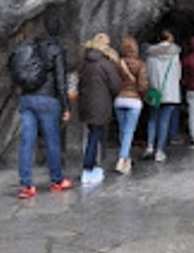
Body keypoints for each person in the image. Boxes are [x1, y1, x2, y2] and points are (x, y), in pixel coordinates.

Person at [10, 36, 74, 198]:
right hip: (47, 100)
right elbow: (61, 81)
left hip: (26, 99)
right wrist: (66, 106)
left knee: (27, 142)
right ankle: (57, 180)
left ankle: (26, 185)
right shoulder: (55, 50)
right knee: (51, 140)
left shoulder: (25, 50)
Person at [78, 33, 121, 185]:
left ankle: (92, 165)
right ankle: (89, 167)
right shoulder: (105, 63)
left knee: (91, 134)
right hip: (101, 105)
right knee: (95, 136)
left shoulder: (84, 62)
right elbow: (115, 85)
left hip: (86, 103)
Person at [143, 30, 181, 162]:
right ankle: (160, 151)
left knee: (153, 119)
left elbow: (147, 74)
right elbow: (178, 75)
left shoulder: (151, 55)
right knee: (165, 121)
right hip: (170, 92)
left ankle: (149, 147)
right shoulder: (175, 55)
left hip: (155, 92)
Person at [114, 36, 148, 174]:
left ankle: (126, 159)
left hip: (119, 99)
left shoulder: (118, 63)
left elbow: (114, 82)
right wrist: (142, 95)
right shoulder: (140, 64)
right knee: (129, 131)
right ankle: (122, 159)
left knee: (123, 130)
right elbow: (143, 85)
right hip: (134, 100)